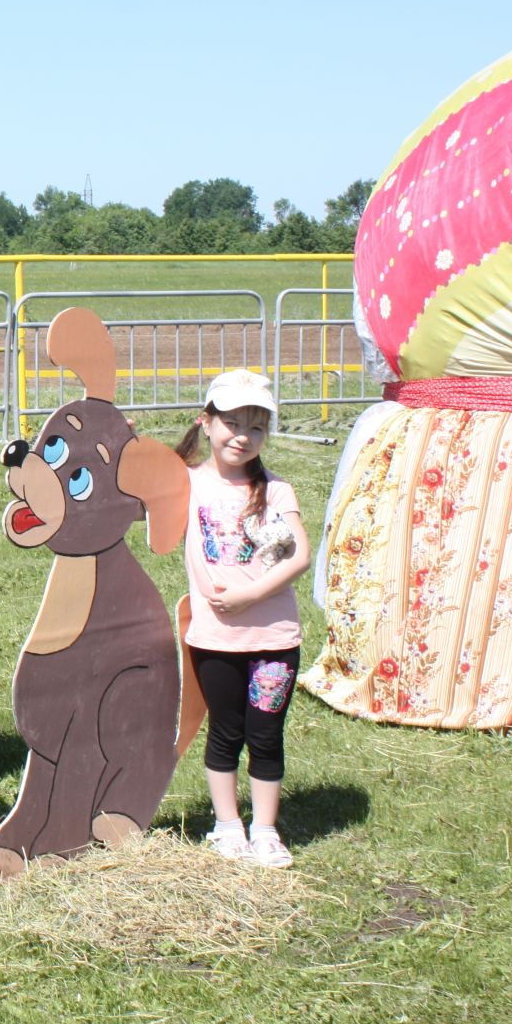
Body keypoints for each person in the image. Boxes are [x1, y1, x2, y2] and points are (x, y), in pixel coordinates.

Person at [174, 369, 311, 869]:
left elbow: (299, 557)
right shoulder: (185, 484)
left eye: (256, 427)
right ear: (205, 423)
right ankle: (228, 826)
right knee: (225, 731)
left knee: (266, 735)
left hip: (274, 639)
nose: (242, 436)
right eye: (231, 422)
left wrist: (248, 596)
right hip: (214, 639)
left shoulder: (275, 491)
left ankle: (266, 831)